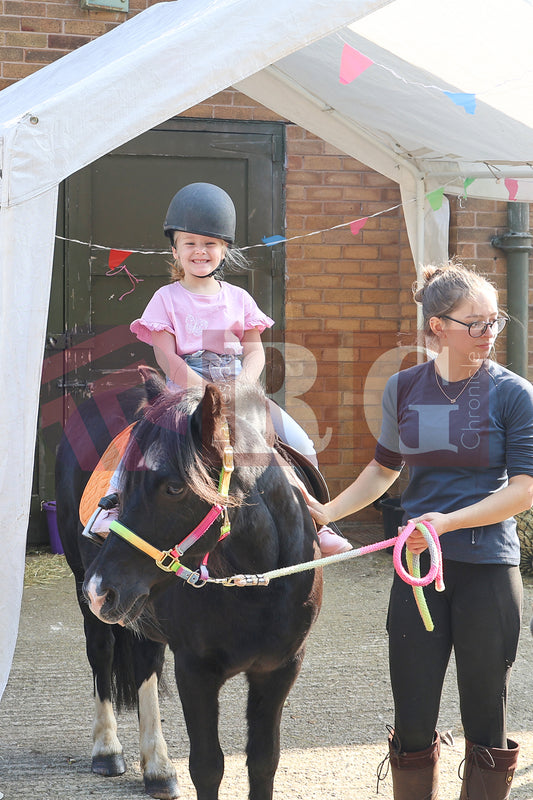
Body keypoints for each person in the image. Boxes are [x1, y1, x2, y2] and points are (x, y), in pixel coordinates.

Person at [307, 260, 533, 799]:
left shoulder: (512, 394)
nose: (489, 333)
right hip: (416, 571)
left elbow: (524, 489)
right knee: (412, 719)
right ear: (438, 327)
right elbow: (385, 468)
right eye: (474, 323)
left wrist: (448, 521)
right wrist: (326, 513)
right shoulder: (405, 387)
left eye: (493, 320)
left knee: (485, 718)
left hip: (487, 568)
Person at [94, 182, 350, 556]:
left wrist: (243, 387)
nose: (200, 252)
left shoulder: (239, 299)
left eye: (210, 244)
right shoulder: (165, 299)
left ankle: (317, 520)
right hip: (184, 393)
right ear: (175, 249)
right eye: (190, 243)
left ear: (224, 249)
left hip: (238, 389)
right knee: (141, 442)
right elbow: (167, 358)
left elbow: (255, 353)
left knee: (299, 442)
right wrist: (206, 395)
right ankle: (113, 503)